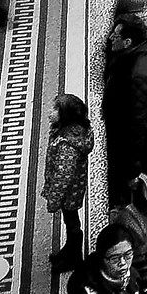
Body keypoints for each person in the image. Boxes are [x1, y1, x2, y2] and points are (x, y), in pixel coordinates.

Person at [101, 0, 147, 211]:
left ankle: (144, 234)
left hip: (134, 146)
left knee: (137, 192)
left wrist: (133, 169)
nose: (112, 37)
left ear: (128, 41)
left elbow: (137, 124)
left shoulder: (133, 73)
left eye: (117, 36)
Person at [44, 92, 95, 272]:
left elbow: (63, 175)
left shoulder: (67, 144)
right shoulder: (69, 133)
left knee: (72, 221)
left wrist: (54, 199)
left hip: (69, 192)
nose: (50, 112)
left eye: (55, 109)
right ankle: (70, 250)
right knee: (70, 220)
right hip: (73, 189)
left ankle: (74, 257)